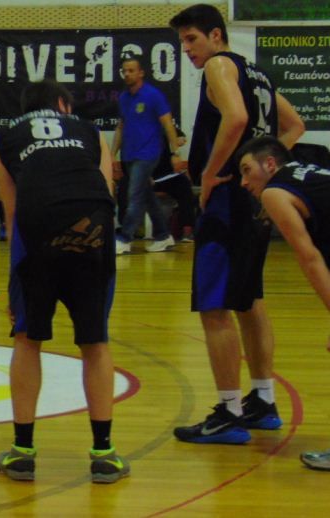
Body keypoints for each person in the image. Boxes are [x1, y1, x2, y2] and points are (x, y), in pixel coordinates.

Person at [169, 3, 305, 444]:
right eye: (182, 41)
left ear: (216, 35)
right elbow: (294, 126)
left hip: (227, 201)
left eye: (192, 39)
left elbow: (238, 118)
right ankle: (263, 401)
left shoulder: (219, 66)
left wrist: (211, 173)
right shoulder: (256, 74)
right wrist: (264, 173)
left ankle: (228, 411)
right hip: (253, 201)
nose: (187, 49)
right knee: (249, 299)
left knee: (214, 307)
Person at [0, 80, 129, 484]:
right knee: (95, 341)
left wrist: (15, 281)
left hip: (38, 230)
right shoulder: (90, 131)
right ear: (63, 105)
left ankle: (22, 453)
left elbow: (12, 213)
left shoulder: (3, 138)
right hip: (93, 228)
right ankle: (104, 453)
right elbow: (107, 190)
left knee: (27, 338)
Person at [237, 136, 330, 471]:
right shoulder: (310, 172)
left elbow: (309, 257)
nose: (244, 181)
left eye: (247, 170)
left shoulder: (274, 192)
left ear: (270, 164)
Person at [112, 57, 182, 254]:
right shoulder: (124, 98)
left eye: (131, 70)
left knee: (134, 195)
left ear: (141, 73)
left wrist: (175, 152)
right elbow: (120, 127)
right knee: (146, 195)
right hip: (129, 155)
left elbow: (168, 124)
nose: (127, 74)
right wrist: (111, 154)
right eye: (124, 71)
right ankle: (163, 236)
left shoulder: (153, 95)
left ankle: (125, 238)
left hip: (148, 154)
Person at [151, 127, 197, 242]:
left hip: (167, 176)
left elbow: (182, 138)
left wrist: (176, 144)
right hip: (147, 176)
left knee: (184, 184)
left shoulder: (166, 128)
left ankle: (187, 231)